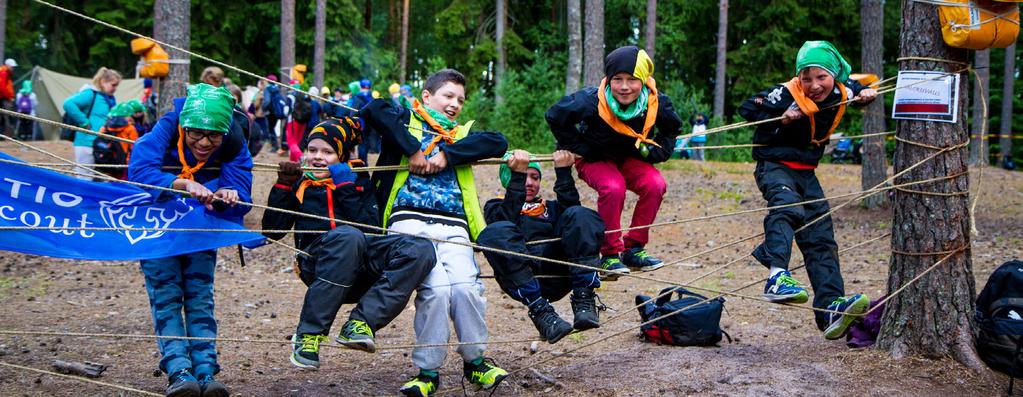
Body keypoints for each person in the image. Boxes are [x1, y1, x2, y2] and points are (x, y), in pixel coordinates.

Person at [359, 68, 509, 396]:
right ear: (427, 96)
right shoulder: (404, 121)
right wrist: (413, 150)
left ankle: (476, 362)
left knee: (466, 288)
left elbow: (498, 141)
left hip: (453, 225)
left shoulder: (461, 135)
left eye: (460, 100)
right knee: (437, 290)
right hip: (407, 222)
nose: (455, 104)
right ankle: (428, 371)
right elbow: (373, 109)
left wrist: (448, 155)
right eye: (448, 96)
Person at [261, 118, 435, 370]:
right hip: (318, 266)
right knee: (347, 236)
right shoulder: (300, 182)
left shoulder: (358, 180)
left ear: (341, 154)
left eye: (327, 152)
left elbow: (372, 228)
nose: (318, 157)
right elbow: (272, 231)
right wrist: (283, 186)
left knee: (420, 248)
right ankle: (309, 335)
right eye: (312, 150)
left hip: (362, 270)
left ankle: (362, 322)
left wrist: (346, 188)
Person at [737, 40, 877, 340]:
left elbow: (861, 84)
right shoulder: (786, 93)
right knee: (786, 207)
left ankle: (830, 309)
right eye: (806, 77)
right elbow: (747, 107)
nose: (813, 85)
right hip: (774, 166)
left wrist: (866, 96)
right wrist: (781, 117)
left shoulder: (844, 89)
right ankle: (776, 277)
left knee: (821, 237)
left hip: (807, 174)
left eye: (821, 77)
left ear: (834, 75)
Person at [128, 83, 252, 397]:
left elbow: (243, 194)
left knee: (199, 296)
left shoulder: (235, 139)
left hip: (199, 230)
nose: (205, 142)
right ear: (185, 126)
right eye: (196, 134)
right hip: (157, 228)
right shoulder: (167, 126)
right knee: (166, 295)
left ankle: (207, 373)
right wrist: (179, 183)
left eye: (214, 136)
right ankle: (179, 372)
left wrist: (227, 196)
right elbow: (139, 170)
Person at [546, 45, 681, 279]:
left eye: (632, 79)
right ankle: (609, 255)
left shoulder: (655, 103)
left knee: (655, 184)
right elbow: (555, 116)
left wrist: (654, 152)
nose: (624, 87)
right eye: (617, 79)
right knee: (613, 187)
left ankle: (634, 248)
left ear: (644, 79)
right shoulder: (591, 100)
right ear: (608, 80)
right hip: (594, 159)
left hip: (627, 158)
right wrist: (582, 148)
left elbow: (671, 130)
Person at [477, 149, 604, 344]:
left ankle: (584, 299)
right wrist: (516, 176)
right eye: (521, 177)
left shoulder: (552, 208)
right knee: (494, 232)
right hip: (522, 277)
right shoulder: (495, 207)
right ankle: (542, 313)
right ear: (508, 180)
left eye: (534, 177)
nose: (529, 183)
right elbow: (506, 221)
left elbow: (576, 217)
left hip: (560, 273)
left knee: (580, 214)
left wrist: (563, 172)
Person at [63, 67, 121, 181]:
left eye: (116, 86)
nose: (115, 89)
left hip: (101, 144)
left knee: (100, 179)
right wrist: (84, 122)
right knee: (85, 179)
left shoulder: (109, 98)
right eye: (113, 85)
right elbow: (69, 104)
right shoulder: (90, 94)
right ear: (103, 82)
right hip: (86, 143)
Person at [94, 102, 140, 179]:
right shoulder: (130, 128)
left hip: (108, 161)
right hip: (124, 162)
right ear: (127, 116)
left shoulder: (104, 127)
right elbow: (134, 147)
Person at [353, 79, 380, 161]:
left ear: (361, 87)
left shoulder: (357, 98)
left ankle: (362, 163)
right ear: (370, 87)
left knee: (362, 144)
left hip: (361, 124)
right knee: (369, 143)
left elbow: (353, 112)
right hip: (371, 125)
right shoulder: (372, 97)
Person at [0, 58, 16, 136]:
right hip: (3, 98)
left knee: (4, 116)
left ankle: (3, 134)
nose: (13, 68)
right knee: (8, 115)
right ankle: (9, 134)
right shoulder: (4, 72)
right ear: (8, 65)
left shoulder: (5, 72)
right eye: (12, 67)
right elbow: (2, 87)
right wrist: (8, 97)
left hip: (3, 97)